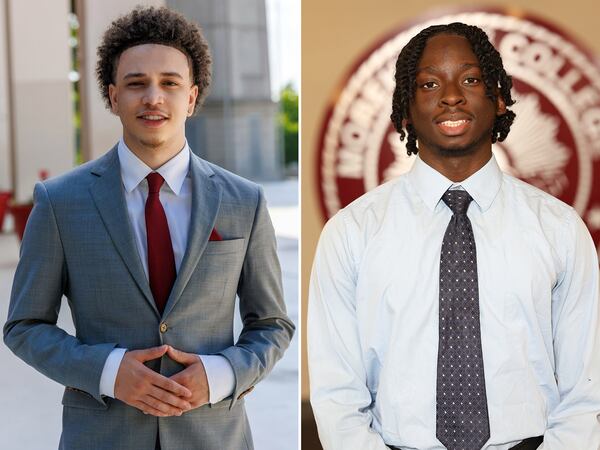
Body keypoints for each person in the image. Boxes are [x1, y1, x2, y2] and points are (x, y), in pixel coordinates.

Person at [4, 6, 294, 450]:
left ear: (192, 98)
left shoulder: (245, 201)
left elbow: (272, 324)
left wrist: (220, 376)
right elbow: (24, 326)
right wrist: (108, 372)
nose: (153, 97)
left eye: (170, 84)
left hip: (213, 436)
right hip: (101, 437)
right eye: (136, 83)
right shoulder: (59, 202)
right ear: (113, 95)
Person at [308, 22, 599, 450]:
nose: (451, 96)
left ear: (499, 98)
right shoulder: (351, 234)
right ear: (405, 109)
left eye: (470, 79)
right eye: (429, 83)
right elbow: (337, 398)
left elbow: (585, 392)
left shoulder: (558, 228)